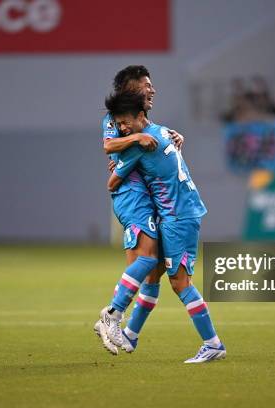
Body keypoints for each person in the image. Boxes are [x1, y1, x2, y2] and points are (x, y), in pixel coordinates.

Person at [105, 90, 226, 363]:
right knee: (154, 273)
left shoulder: (140, 145)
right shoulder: (162, 132)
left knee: (179, 282)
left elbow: (112, 182)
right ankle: (131, 334)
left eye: (125, 122)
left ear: (140, 116)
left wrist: (118, 165)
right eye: (118, 124)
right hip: (180, 211)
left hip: (177, 216)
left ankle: (213, 343)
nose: (122, 129)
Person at [94, 66, 184, 355]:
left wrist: (173, 136)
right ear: (130, 89)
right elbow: (109, 145)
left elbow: (150, 139)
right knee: (147, 259)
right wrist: (134, 141)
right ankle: (113, 315)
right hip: (132, 196)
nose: (152, 89)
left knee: (152, 270)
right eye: (146, 84)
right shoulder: (115, 118)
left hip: (148, 198)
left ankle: (127, 331)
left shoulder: (142, 119)